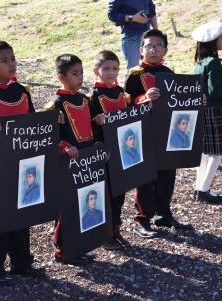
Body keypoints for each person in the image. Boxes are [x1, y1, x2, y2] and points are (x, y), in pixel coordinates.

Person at [0, 41, 45, 286]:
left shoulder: (22, 91)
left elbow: (33, 122)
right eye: (4, 60)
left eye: (13, 58)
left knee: (22, 210)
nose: (12, 63)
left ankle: (21, 262)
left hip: (23, 162)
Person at [125, 29, 192, 238]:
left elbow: (179, 103)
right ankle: (142, 219)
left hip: (167, 133)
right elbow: (126, 104)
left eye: (158, 46)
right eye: (149, 46)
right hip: (144, 132)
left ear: (165, 50)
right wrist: (145, 98)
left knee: (167, 175)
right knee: (144, 176)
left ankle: (163, 214)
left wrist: (196, 102)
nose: (153, 50)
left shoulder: (169, 73)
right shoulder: (134, 75)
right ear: (141, 49)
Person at [45, 54, 95, 266]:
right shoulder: (56, 103)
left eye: (81, 73)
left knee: (81, 203)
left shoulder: (84, 99)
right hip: (67, 161)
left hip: (86, 159)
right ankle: (62, 249)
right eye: (75, 74)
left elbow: (88, 126)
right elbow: (50, 134)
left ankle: (76, 245)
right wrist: (65, 146)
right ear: (61, 77)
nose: (80, 77)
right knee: (67, 206)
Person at [90, 50, 131, 250]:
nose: (111, 72)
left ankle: (116, 229)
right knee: (106, 194)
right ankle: (104, 235)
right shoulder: (93, 96)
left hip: (122, 151)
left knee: (120, 193)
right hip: (105, 153)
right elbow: (87, 127)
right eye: (106, 68)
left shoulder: (122, 92)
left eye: (115, 68)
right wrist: (95, 123)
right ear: (96, 71)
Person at [192, 21, 222, 204]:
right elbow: (215, 91)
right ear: (213, 40)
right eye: (220, 37)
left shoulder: (200, 62)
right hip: (215, 110)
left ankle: (199, 187)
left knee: (205, 152)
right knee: (217, 153)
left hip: (203, 110)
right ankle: (204, 190)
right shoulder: (213, 63)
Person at [107, 0, 157, 70]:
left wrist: (156, 33)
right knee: (133, 72)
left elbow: (151, 10)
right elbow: (111, 14)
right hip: (131, 38)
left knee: (147, 71)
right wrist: (132, 18)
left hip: (146, 38)